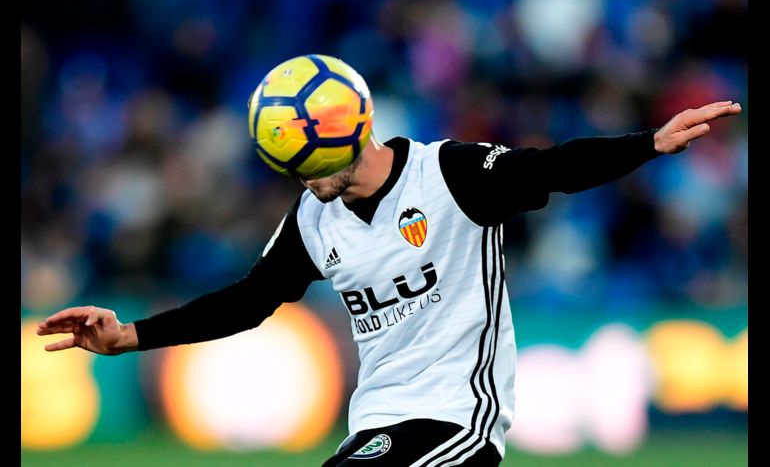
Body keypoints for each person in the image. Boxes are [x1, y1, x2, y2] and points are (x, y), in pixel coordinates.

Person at [37, 89, 741, 466]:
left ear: (348, 134)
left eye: (309, 164)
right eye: (291, 169)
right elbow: (249, 300)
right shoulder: (314, 218)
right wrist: (129, 335)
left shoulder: (450, 175)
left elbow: (551, 169)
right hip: (376, 421)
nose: (303, 181)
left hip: (459, 419)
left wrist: (649, 144)